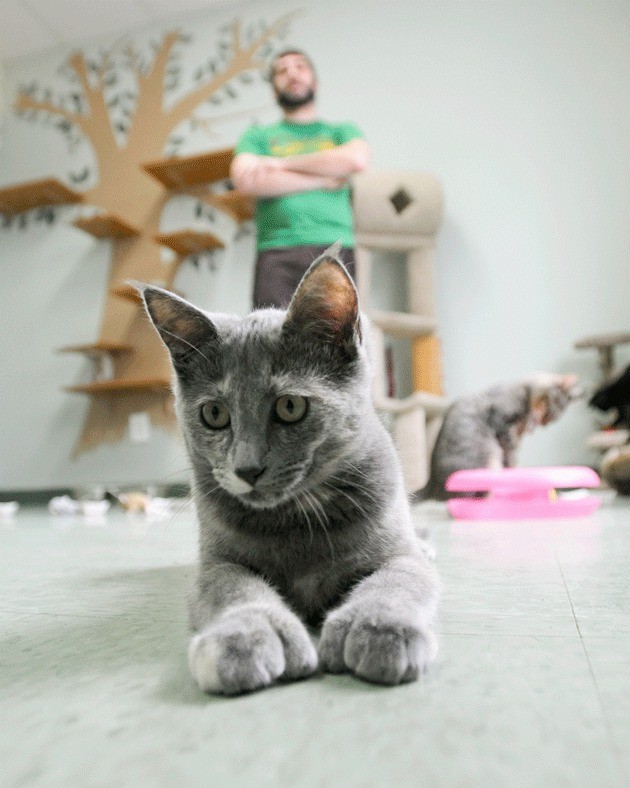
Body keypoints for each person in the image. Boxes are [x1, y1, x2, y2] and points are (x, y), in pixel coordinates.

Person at [230, 49, 370, 309]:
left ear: (314, 83)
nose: (292, 73)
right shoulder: (257, 136)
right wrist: (321, 178)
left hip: (336, 246)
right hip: (276, 250)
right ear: (274, 91)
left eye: (300, 66)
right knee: (271, 341)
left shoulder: (341, 130)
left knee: (336, 342)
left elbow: (357, 160)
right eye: (282, 71)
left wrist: (278, 163)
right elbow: (245, 179)